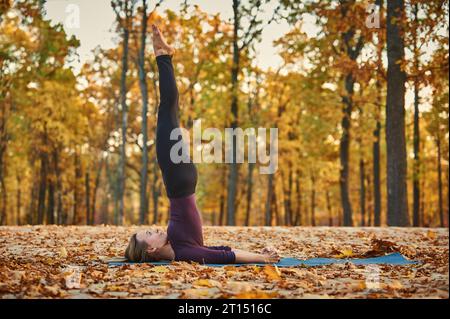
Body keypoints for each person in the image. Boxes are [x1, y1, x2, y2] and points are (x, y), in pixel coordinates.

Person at [125, 24, 280, 265]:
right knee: (168, 106)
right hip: (178, 178)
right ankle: (161, 55)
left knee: (169, 107)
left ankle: (163, 55)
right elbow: (223, 253)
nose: (153, 229)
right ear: (152, 251)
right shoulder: (185, 253)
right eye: (149, 234)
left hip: (178, 178)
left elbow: (220, 251)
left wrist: (260, 255)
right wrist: (263, 258)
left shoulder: (179, 246)